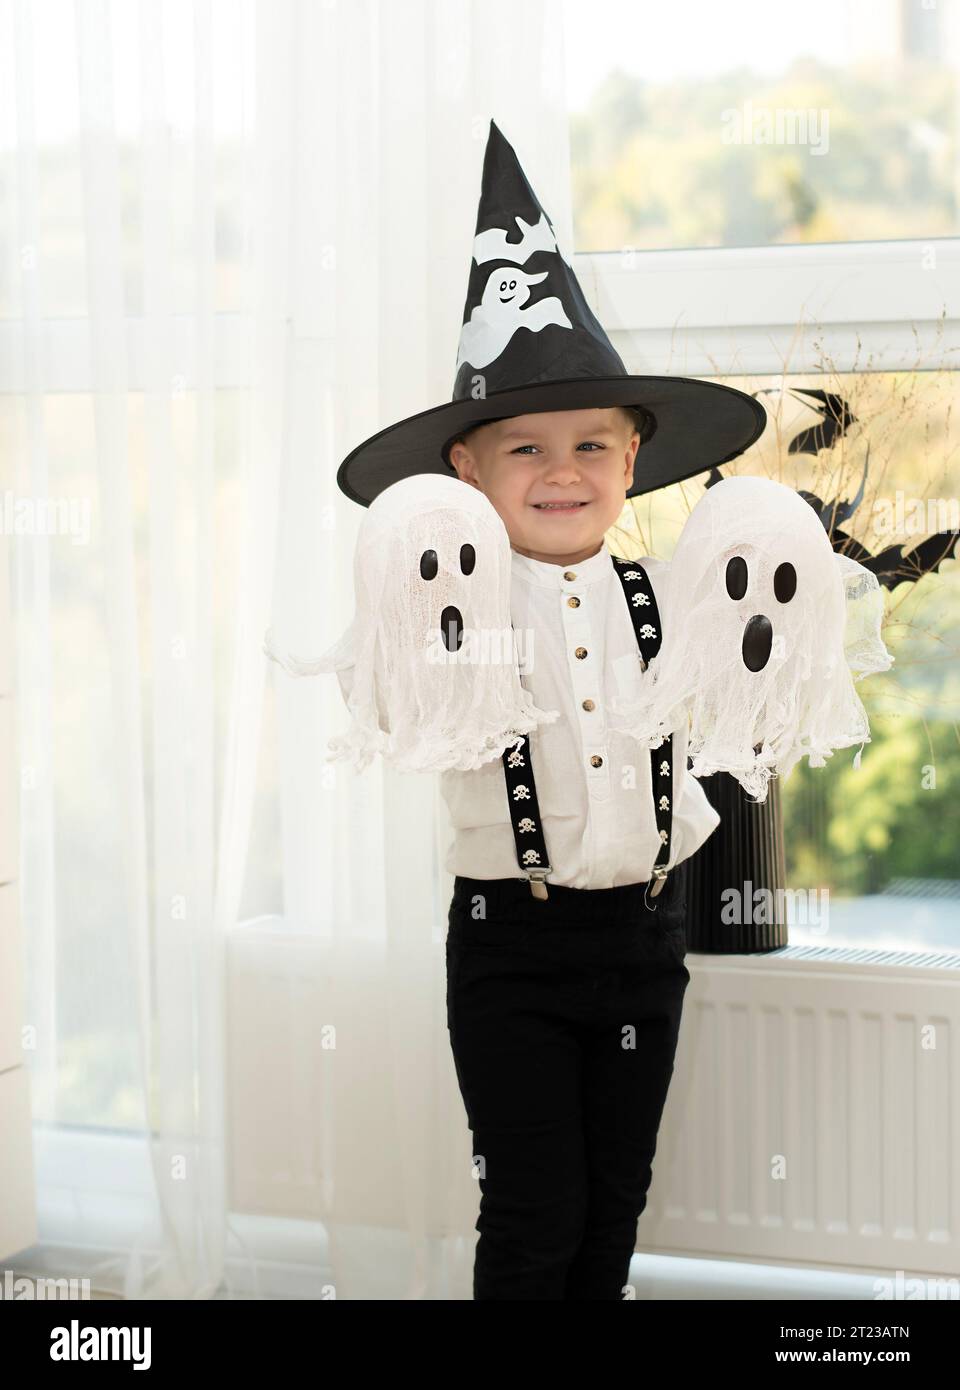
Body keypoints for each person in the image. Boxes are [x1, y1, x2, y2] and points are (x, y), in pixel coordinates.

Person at [330, 119, 765, 1299]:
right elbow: (396, 684)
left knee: (616, 1203)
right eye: (524, 448)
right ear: (468, 470)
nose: (561, 471)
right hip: (513, 949)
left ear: (635, 458)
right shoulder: (452, 592)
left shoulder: (663, 595)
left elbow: (745, 686)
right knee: (534, 1211)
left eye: (590, 444)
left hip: (646, 940)